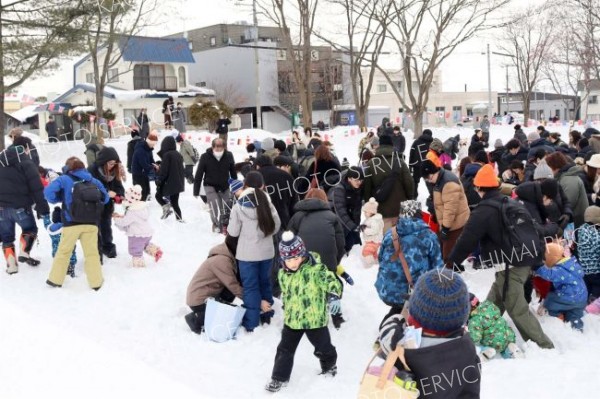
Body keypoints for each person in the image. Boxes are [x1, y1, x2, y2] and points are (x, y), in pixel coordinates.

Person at [448, 164, 555, 349]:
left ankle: (544, 347)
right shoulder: (510, 202)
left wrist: (450, 263)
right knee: (494, 301)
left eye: (476, 187)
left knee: (516, 307)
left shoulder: (484, 210)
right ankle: (480, 330)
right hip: (523, 259)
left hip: (512, 264)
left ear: (480, 188)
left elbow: (467, 240)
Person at [378, 269, 480, 399]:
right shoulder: (468, 349)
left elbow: (386, 338)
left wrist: (396, 322)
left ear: (413, 317)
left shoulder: (403, 350)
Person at [265, 232, 341, 392]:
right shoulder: (283, 273)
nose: (292, 263)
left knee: (323, 347)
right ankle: (278, 377)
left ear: (303, 254)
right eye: (288, 259)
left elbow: (332, 281)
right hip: (293, 320)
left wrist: (334, 296)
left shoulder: (316, 270)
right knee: (284, 350)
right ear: (283, 259)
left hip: (315, 320)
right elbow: (286, 293)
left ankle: (329, 366)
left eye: (296, 258)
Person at [44, 157, 109, 290]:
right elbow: (106, 198)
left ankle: (55, 280)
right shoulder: (93, 180)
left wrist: (58, 198)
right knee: (91, 254)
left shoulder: (64, 179)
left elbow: (48, 192)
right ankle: (96, 283)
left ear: (68, 168)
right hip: (91, 223)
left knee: (64, 252)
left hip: (71, 223)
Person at [227, 171, 281, 331]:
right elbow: (276, 226)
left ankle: (251, 322)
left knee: (250, 287)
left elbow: (233, 232)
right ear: (263, 185)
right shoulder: (268, 203)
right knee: (265, 282)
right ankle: (266, 315)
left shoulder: (238, 206)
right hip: (267, 253)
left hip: (247, 255)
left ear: (245, 186)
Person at [375, 200, 442, 326]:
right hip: (411, 293)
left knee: (399, 306)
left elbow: (380, 258)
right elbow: (437, 268)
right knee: (412, 309)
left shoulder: (390, 233)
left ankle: (389, 325)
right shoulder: (429, 236)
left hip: (386, 288)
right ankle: (396, 330)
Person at [287, 188, 347, 328]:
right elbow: (340, 243)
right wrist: (334, 262)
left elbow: (288, 241)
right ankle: (337, 317)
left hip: (303, 261)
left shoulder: (297, 217)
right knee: (332, 284)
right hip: (327, 260)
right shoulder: (332, 217)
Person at [0, 137, 50, 273]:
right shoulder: (26, 163)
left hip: (1, 208)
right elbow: (37, 188)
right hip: (21, 206)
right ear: (26, 148)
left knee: (6, 237)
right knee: (30, 229)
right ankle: (24, 250)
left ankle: (12, 265)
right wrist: (43, 207)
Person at [184, 235, 244, 334]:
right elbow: (234, 287)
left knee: (230, 297)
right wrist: (253, 301)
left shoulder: (225, 256)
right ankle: (197, 319)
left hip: (207, 295)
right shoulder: (222, 261)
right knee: (227, 318)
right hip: (199, 301)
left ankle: (213, 310)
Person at [421, 159, 470, 271]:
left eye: (429, 178)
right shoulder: (439, 179)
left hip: (455, 221)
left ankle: (448, 273)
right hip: (447, 220)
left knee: (447, 250)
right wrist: (436, 215)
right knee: (441, 245)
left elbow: (450, 209)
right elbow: (440, 202)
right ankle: (453, 265)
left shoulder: (448, 183)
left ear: (433, 172)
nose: (429, 181)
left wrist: (446, 228)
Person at [363, 135, 414, 234]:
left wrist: (370, 207)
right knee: (400, 240)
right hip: (400, 208)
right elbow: (409, 183)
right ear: (392, 146)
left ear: (379, 146)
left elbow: (366, 189)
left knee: (386, 240)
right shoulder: (400, 162)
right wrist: (409, 198)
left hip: (381, 211)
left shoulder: (370, 164)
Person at [536, 243, 587, 331]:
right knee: (574, 315)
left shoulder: (560, 269)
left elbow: (549, 274)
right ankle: (577, 327)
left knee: (550, 299)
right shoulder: (571, 264)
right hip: (581, 298)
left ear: (550, 258)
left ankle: (557, 315)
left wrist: (538, 266)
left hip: (570, 297)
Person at [88, 146, 125, 259]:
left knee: (106, 227)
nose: (112, 166)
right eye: (110, 163)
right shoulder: (91, 171)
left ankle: (107, 246)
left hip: (107, 206)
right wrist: (106, 193)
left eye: (114, 163)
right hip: (93, 206)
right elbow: (88, 189)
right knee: (94, 229)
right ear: (103, 162)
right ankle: (94, 249)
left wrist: (118, 195)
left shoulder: (114, 171)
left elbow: (119, 187)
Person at [194, 138, 237, 233]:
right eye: (216, 146)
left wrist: (236, 187)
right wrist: (196, 190)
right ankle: (216, 224)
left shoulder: (229, 155)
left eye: (220, 146)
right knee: (214, 205)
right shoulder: (205, 156)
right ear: (213, 146)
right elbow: (199, 173)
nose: (218, 148)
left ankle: (224, 224)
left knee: (225, 206)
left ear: (224, 147)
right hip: (210, 185)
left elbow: (233, 172)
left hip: (224, 185)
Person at [113, 185, 162, 267]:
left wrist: (116, 219)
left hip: (137, 235)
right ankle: (156, 252)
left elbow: (125, 222)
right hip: (147, 233)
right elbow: (134, 219)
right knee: (145, 245)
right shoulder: (142, 207)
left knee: (135, 249)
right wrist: (122, 216)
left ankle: (139, 265)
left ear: (130, 199)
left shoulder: (132, 211)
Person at [468, 294, 521, 360]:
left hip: (493, 343)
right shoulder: (490, 305)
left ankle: (487, 351)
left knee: (474, 346)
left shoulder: (474, 320)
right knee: (505, 350)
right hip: (508, 335)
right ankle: (511, 350)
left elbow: (475, 338)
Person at [545, 152, 588, 227]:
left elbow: (568, 203)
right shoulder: (563, 177)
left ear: (555, 167)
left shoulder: (569, 180)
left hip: (576, 221)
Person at [328, 166, 364, 254]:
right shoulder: (339, 189)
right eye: (356, 180)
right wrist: (352, 226)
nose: (359, 182)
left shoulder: (359, 188)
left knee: (356, 249)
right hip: (341, 225)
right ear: (349, 179)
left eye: (361, 180)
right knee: (345, 250)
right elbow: (340, 212)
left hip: (353, 224)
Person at [156, 136, 185, 221]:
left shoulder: (167, 155)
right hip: (178, 183)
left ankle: (166, 209)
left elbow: (164, 171)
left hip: (169, 183)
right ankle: (179, 219)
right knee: (175, 202)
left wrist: (159, 179)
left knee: (158, 196)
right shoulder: (178, 154)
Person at [575, 206, 600, 302]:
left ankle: (585, 301)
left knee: (587, 287)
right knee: (597, 287)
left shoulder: (581, 229)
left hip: (584, 269)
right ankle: (593, 302)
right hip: (595, 269)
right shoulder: (594, 233)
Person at [131, 131, 159, 201]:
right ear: (149, 142)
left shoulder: (148, 149)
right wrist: (153, 167)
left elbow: (151, 160)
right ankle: (138, 207)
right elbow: (144, 164)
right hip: (138, 174)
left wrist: (155, 164)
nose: (154, 146)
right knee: (140, 192)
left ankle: (142, 205)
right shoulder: (140, 150)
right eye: (153, 144)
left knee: (146, 191)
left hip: (144, 173)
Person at [408, 129, 433, 198]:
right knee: (430, 182)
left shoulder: (416, 142)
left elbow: (411, 153)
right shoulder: (433, 143)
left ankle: (414, 196)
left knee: (415, 182)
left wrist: (410, 165)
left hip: (417, 166)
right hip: (429, 167)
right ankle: (433, 196)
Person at [360, 198, 384, 267]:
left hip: (374, 241)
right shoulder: (371, 219)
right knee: (373, 253)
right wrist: (362, 226)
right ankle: (376, 264)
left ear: (371, 212)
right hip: (373, 241)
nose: (364, 213)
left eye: (366, 212)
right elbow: (367, 226)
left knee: (366, 252)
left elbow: (374, 230)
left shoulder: (374, 220)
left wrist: (364, 229)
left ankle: (370, 266)